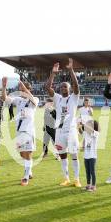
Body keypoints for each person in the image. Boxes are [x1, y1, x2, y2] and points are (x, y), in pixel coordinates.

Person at [45, 58, 81, 187]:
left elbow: (76, 86)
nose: (63, 88)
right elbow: (47, 87)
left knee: (74, 155)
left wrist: (71, 70)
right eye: (61, 87)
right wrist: (53, 73)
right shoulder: (58, 98)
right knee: (63, 156)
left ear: (70, 88)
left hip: (71, 131)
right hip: (59, 131)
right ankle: (66, 178)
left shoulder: (74, 97)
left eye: (65, 86)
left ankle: (77, 179)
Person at [2, 77, 39, 186]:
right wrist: (4, 87)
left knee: (27, 154)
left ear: (29, 89)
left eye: (24, 89)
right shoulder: (18, 100)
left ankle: (25, 177)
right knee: (22, 154)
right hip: (19, 132)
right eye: (21, 89)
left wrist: (24, 88)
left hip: (28, 131)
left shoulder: (34, 99)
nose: (22, 90)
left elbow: (32, 100)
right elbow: (5, 98)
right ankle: (30, 171)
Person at [82, 120, 99, 192]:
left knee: (92, 171)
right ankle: (88, 185)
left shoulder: (96, 133)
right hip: (86, 155)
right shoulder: (86, 133)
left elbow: (90, 130)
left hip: (92, 156)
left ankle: (93, 186)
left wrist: (84, 124)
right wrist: (82, 146)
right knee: (87, 171)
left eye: (90, 124)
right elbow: (84, 139)